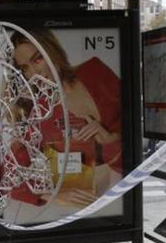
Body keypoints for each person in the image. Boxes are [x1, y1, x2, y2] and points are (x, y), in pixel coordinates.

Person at [9, 28, 122, 207]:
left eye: (38, 59)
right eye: (25, 68)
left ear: (52, 50)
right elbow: (8, 173)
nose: (34, 73)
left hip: (119, 197)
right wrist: (51, 195)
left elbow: (132, 139)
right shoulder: (41, 111)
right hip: (77, 208)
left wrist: (111, 140)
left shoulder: (96, 71)